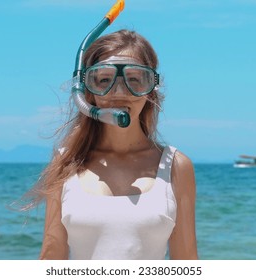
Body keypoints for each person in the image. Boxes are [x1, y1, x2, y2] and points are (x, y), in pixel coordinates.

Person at [25, 29, 198, 260]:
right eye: (104, 80)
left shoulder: (176, 166)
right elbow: (50, 259)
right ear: (87, 92)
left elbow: (186, 263)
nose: (119, 92)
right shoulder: (66, 162)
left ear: (151, 90)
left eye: (134, 79)